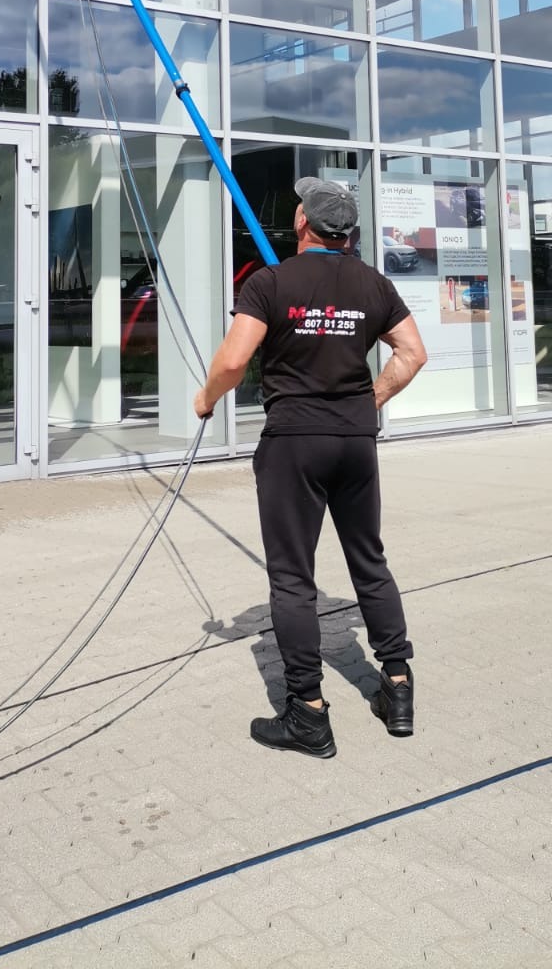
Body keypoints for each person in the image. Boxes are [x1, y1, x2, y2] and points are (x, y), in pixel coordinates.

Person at [193, 176, 428, 759]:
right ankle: (397, 687)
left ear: (303, 224)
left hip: (294, 441)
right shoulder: (374, 284)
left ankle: (308, 713)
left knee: (293, 577)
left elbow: (235, 358)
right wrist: (366, 401)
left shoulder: (270, 282)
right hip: (354, 441)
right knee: (368, 560)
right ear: (346, 232)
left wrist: (205, 400)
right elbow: (414, 353)